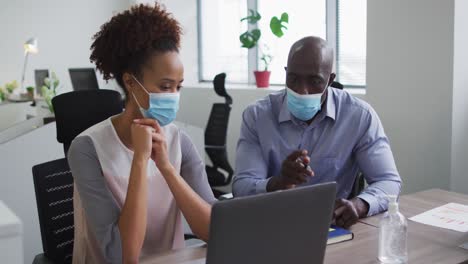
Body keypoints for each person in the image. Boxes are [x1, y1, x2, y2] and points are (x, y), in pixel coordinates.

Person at [67, 4, 215, 263]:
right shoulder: (87, 148)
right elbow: (122, 256)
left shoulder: (180, 142)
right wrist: (140, 160)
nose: (174, 97)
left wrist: (166, 167)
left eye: (178, 87)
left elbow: (216, 231)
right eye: (165, 86)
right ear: (130, 82)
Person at [232, 36, 401, 229]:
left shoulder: (359, 117)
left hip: (330, 227)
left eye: (314, 81)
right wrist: (279, 182)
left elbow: (388, 181)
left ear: (330, 79)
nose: (302, 91)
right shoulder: (257, 116)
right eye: (293, 79)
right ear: (286, 74)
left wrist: (360, 204)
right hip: (270, 224)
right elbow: (241, 187)